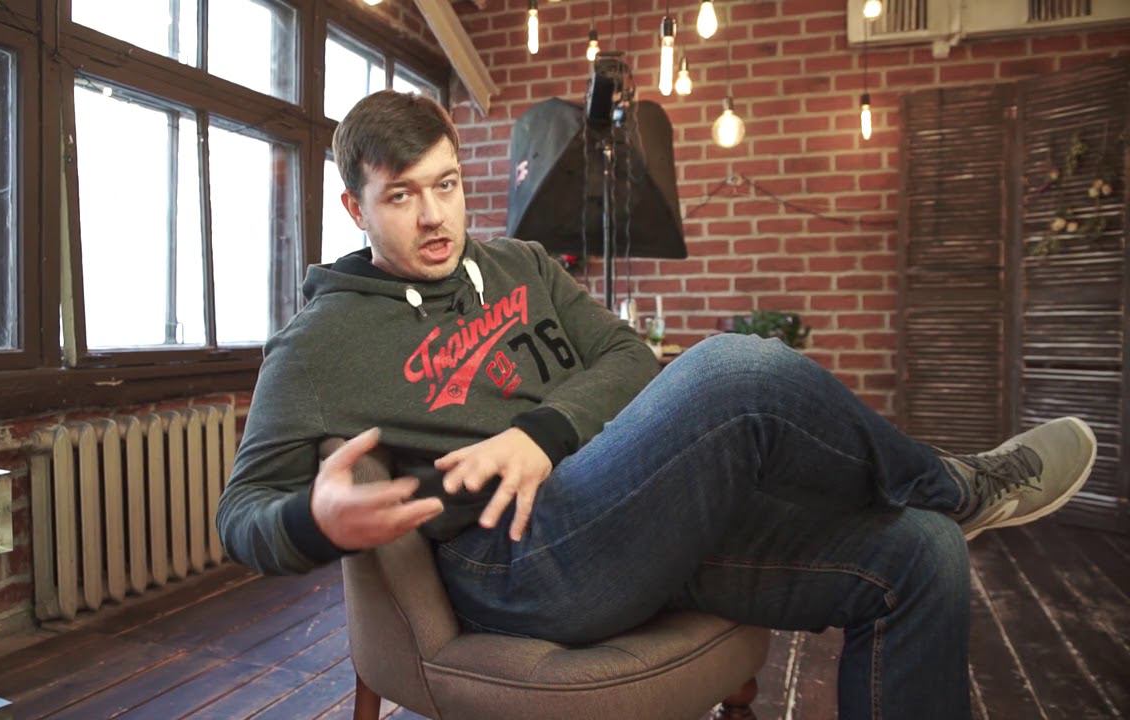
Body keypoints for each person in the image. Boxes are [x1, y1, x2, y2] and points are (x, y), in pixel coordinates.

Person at [216, 90, 1097, 719]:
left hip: (632, 522)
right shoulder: (321, 342)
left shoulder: (521, 264)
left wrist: (541, 433)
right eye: (402, 195)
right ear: (355, 207)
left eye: (446, 184)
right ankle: (959, 484)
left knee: (920, 555)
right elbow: (241, 515)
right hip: (516, 565)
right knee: (737, 370)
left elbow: (629, 357)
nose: (435, 217)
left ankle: (946, 505)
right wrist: (313, 520)